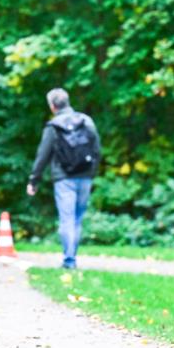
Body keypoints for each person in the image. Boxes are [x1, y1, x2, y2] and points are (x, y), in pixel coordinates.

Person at [26, 88, 101, 269]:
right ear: (67, 102)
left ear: (52, 106)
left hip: (64, 178)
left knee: (67, 219)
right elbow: (97, 149)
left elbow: (42, 155)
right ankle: (72, 257)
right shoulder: (86, 121)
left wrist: (34, 180)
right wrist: (91, 171)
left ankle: (69, 260)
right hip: (85, 176)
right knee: (77, 219)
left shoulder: (53, 126)